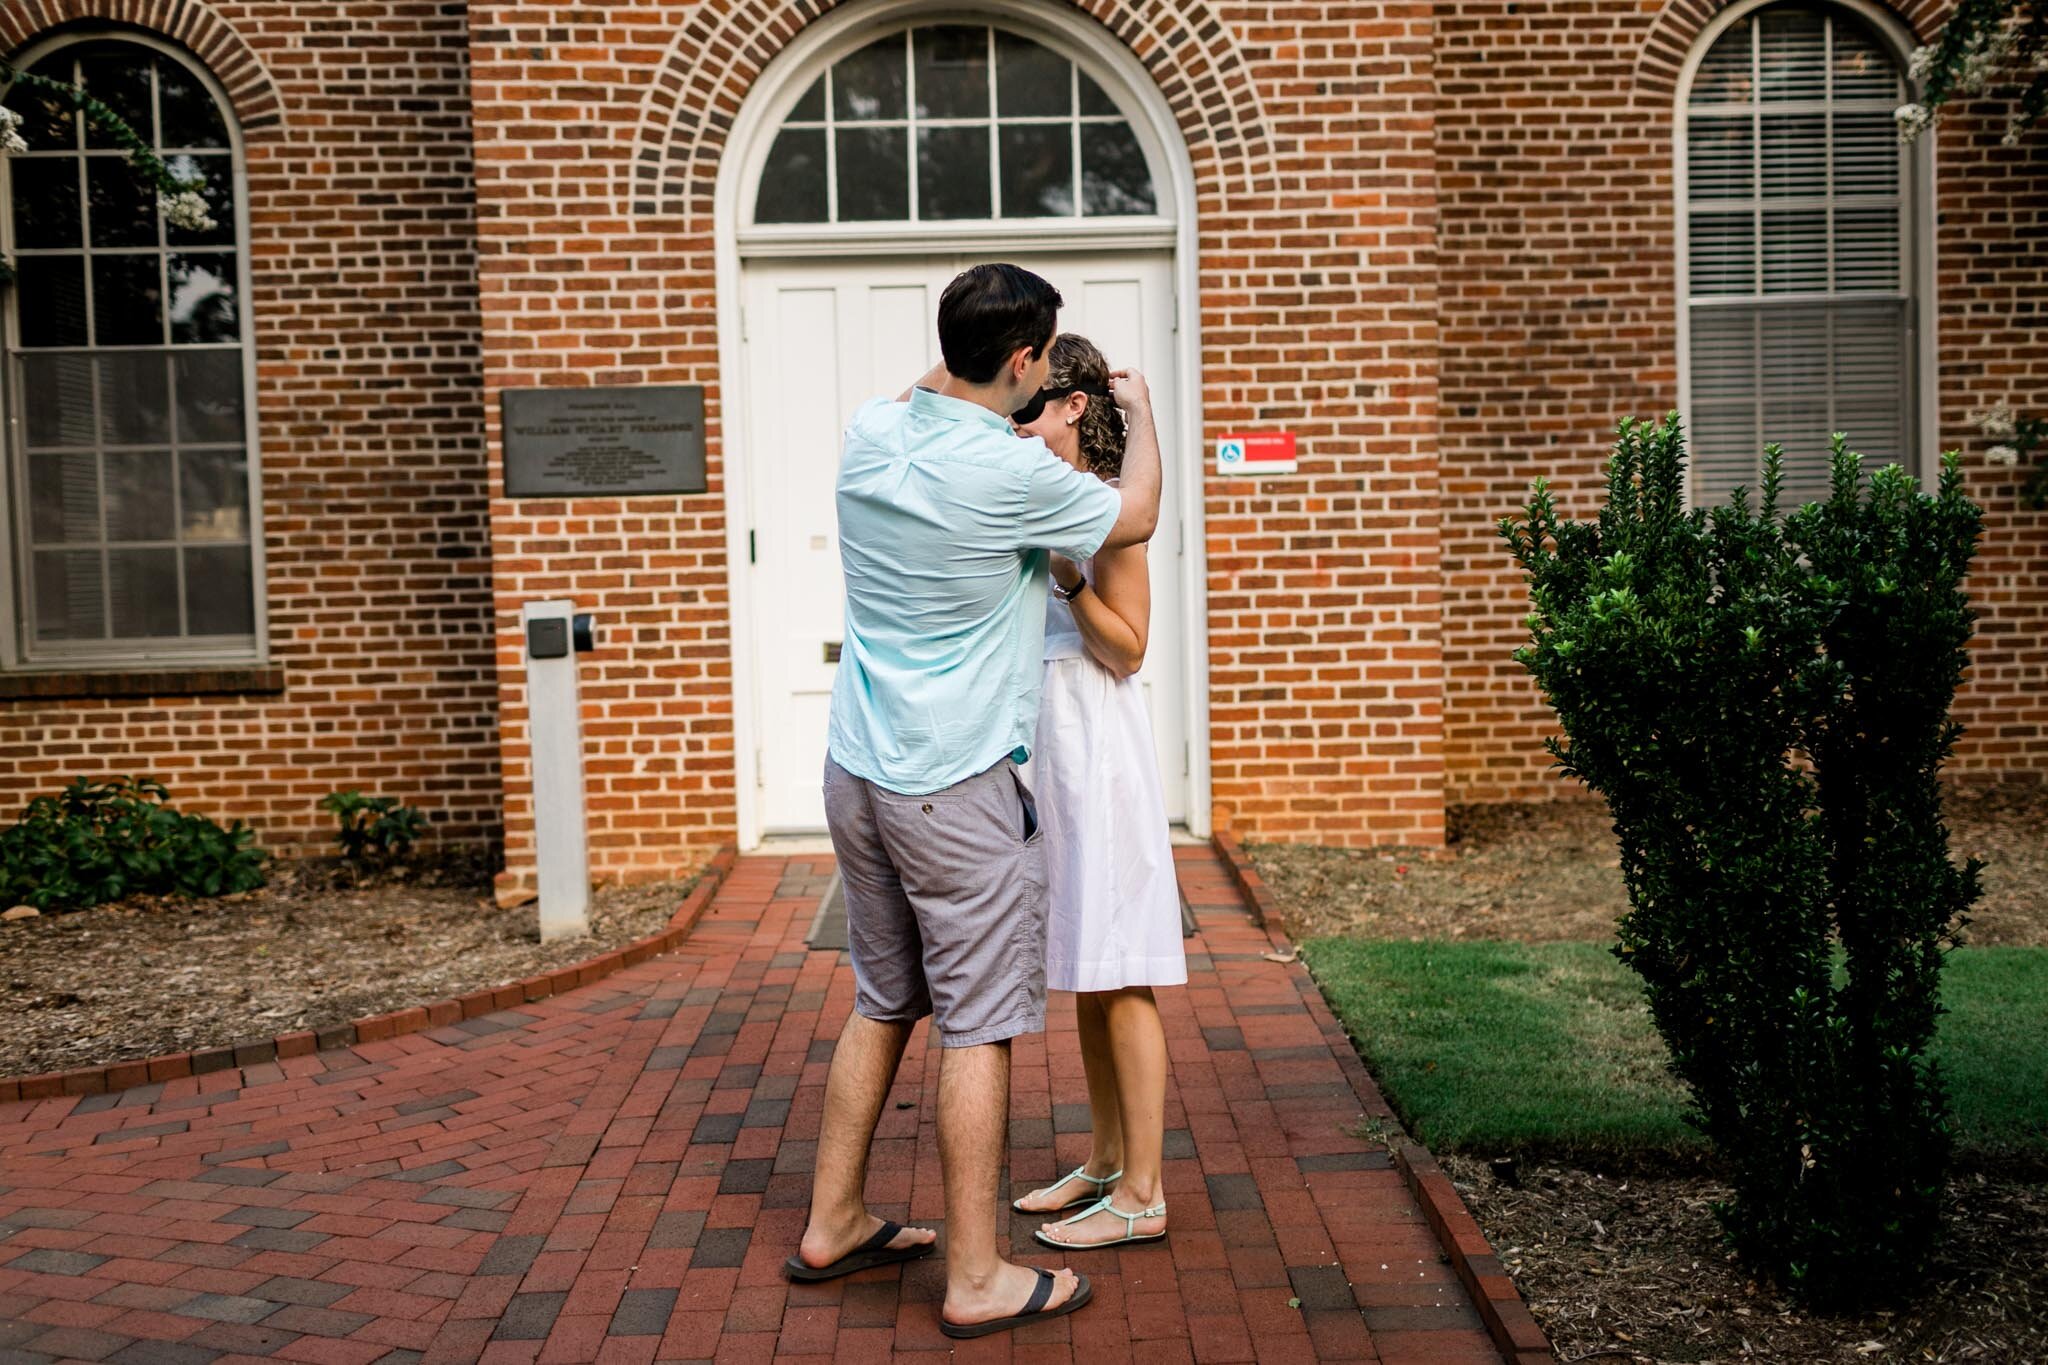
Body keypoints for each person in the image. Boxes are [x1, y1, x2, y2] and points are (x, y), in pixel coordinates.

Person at [785, 264, 1163, 1340]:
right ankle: (978, 1276)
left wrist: (980, 368)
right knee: (980, 1026)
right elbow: (1128, 518)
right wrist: (1139, 413)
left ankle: (835, 1222)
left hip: (854, 767)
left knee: (881, 997)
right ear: (1024, 362)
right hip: (950, 785)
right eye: (1036, 359)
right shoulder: (1010, 478)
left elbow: (944, 384)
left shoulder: (870, 430)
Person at [1008, 335, 1186, 1251]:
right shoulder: (1041, 493)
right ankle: (1107, 1160)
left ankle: (1144, 1194)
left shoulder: (1111, 510)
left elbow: (1127, 649)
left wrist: (1072, 579)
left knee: (1121, 969)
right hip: (1050, 750)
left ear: (1075, 406)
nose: (1018, 419)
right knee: (1086, 963)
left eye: (1031, 406)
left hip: (1096, 744)